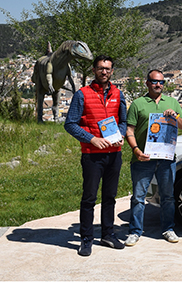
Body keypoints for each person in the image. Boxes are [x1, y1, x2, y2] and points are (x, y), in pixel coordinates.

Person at [64, 55, 127, 257]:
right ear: (94, 70)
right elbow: (70, 124)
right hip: (92, 155)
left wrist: (121, 135)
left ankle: (108, 234)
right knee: (89, 198)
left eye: (107, 68)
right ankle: (86, 239)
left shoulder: (118, 93)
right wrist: (92, 139)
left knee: (110, 197)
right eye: (100, 68)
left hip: (114, 154)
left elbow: (123, 121)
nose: (104, 72)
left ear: (112, 71)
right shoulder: (82, 94)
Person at [124, 70, 182, 246]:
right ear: (147, 83)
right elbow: (129, 130)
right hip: (143, 159)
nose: (158, 84)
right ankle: (135, 231)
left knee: (168, 197)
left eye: (161, 82)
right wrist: (136, 150)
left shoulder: (172, 103)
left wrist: (175, 116)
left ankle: (168, 228)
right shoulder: (137, 104)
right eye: (154, 81)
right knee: (138, 197)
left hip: (166, 158)